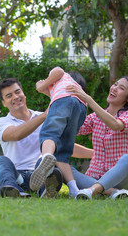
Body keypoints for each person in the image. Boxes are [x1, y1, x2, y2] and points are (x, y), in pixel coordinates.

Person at [66, 76, 128, 200]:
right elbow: (71, 129)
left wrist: (89, 100)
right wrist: (58, 97)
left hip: (121, 181)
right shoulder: (94, 117)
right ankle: (111, 192)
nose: (114, 88)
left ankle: (92, 190)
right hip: (94, 177)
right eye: (115, 84)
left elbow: (115, 125)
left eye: (121, 88)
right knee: (62, 166)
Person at [0, 78, 63, 198]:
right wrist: (45, 116)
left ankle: (45, 190)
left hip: (38, 172)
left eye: (17, 92)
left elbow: (58, 143)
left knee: (47, 158)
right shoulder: (1, 122)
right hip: (16, 175)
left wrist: (94, 153)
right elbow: (16, 134)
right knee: (0, 161)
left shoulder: (42, 116)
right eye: (9, 96)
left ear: (24, 94)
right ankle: (12, 189)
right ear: (4, 103)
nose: (15, 97)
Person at [29, 67, 87, 198]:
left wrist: (41, 85)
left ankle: (46, 157)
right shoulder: (72, 91)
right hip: (82, 109)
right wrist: (45, 88)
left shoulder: (63, 77)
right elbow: (55, 94)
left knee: (49, 133)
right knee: (62, 153)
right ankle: (74, 190)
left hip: (63, 101)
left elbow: (58, 72)